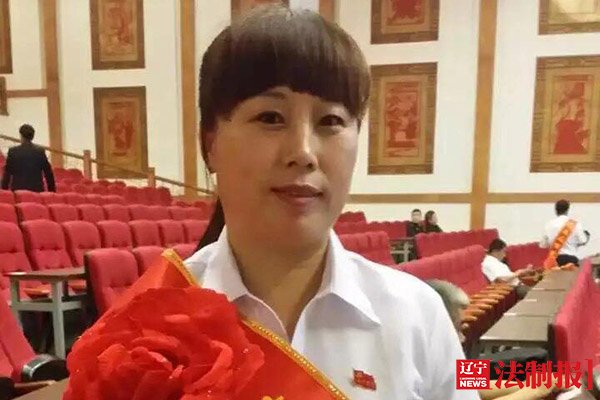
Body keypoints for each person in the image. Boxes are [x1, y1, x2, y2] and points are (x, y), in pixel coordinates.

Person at [184, 6, 477, 399]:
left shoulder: (419, 314)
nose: (303, 152)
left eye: (331, 121)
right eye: (270, 118)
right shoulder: (150, 323)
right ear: (210, 144)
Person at [427, 280, 560, 400]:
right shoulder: (422, 372)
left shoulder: (440, 360)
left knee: (534, 357)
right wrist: (536, 390)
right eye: (456, 330)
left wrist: (534, 385)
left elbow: (471, 384)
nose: (462, 338)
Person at [0, 124, 55, 192]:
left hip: (18, 192)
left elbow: (7, 174)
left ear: (21, 136)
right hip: (37, 192)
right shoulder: (40, 151)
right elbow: (48, 174)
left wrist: (4, 191)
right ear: (32, 137)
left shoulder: (13, 151)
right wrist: (52, 192)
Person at [540, 199, 589, 267]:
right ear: (567, 210)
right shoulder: (575, 224)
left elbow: (543, 245)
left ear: (556, 210)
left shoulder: (548, 225)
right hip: (571, 261)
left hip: (555, 262)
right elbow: (583, 241)